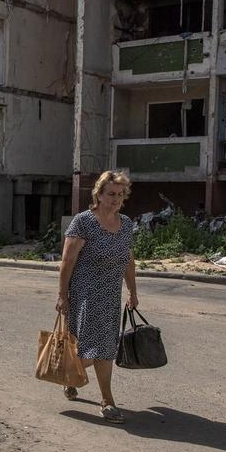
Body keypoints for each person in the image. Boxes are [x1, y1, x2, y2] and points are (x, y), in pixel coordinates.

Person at [56, 170, 139, 423]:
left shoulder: (125, 224)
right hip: (85, 296)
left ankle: (90, 390)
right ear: (99, 194)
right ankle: (105, 400)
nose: (115, 199)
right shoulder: (83, 222)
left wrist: (133, 291)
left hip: (110, 297)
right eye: (110, 194)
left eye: (120, 194)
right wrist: (62, 295)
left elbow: (128, 260)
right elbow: (67, 261)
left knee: (103, 349)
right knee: (93, 349)